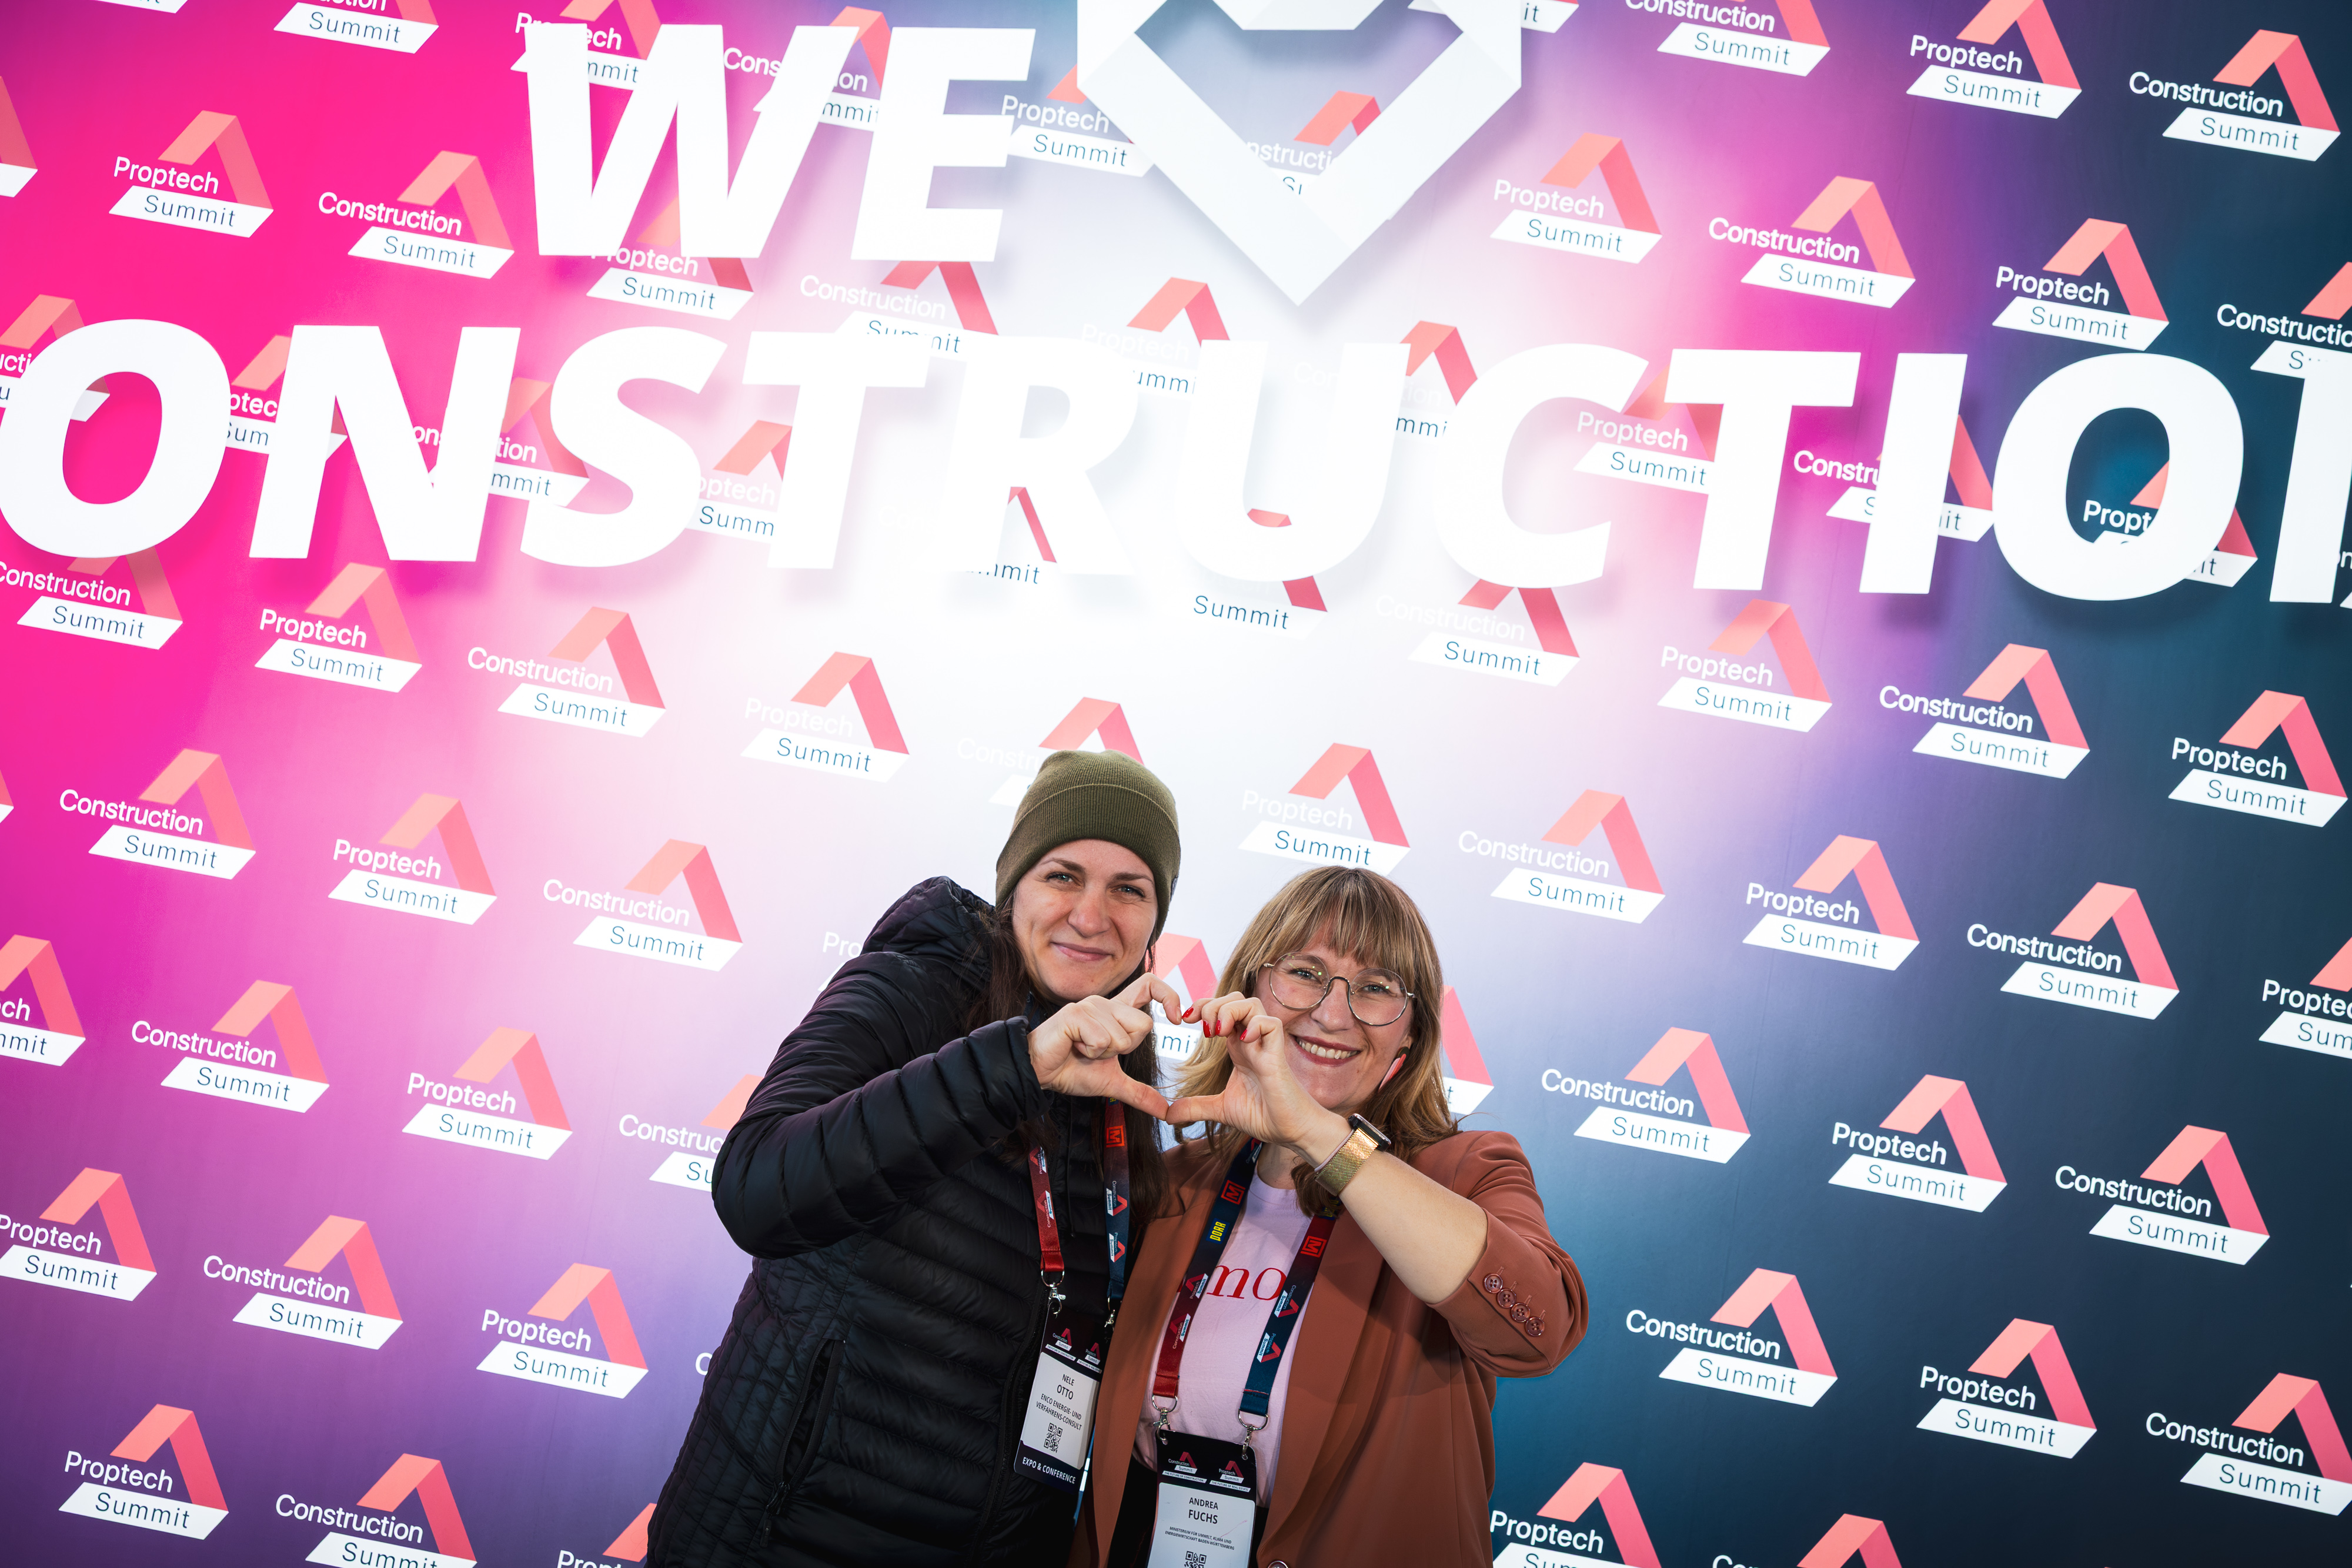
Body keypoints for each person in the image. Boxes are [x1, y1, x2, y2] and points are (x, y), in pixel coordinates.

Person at [650, 751, 1188, 1567]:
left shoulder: (1123, 1091)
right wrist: (1016, 1065)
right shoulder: (912, 986)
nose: (1090, 914)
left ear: (1155, 921)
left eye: (1129, 889)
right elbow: (755, 1188)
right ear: (1013, 888)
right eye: (1062, 875)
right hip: (780, 1539)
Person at [1071, 865, 1588, 1568]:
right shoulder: (1175, 1179)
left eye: (1376, 987)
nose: (1333, 1013)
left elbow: (1538, 1333)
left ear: (1410, 1037)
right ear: (1250, 992)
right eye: (1306, 973)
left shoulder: (1464, 1172)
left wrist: (1317, 1133)